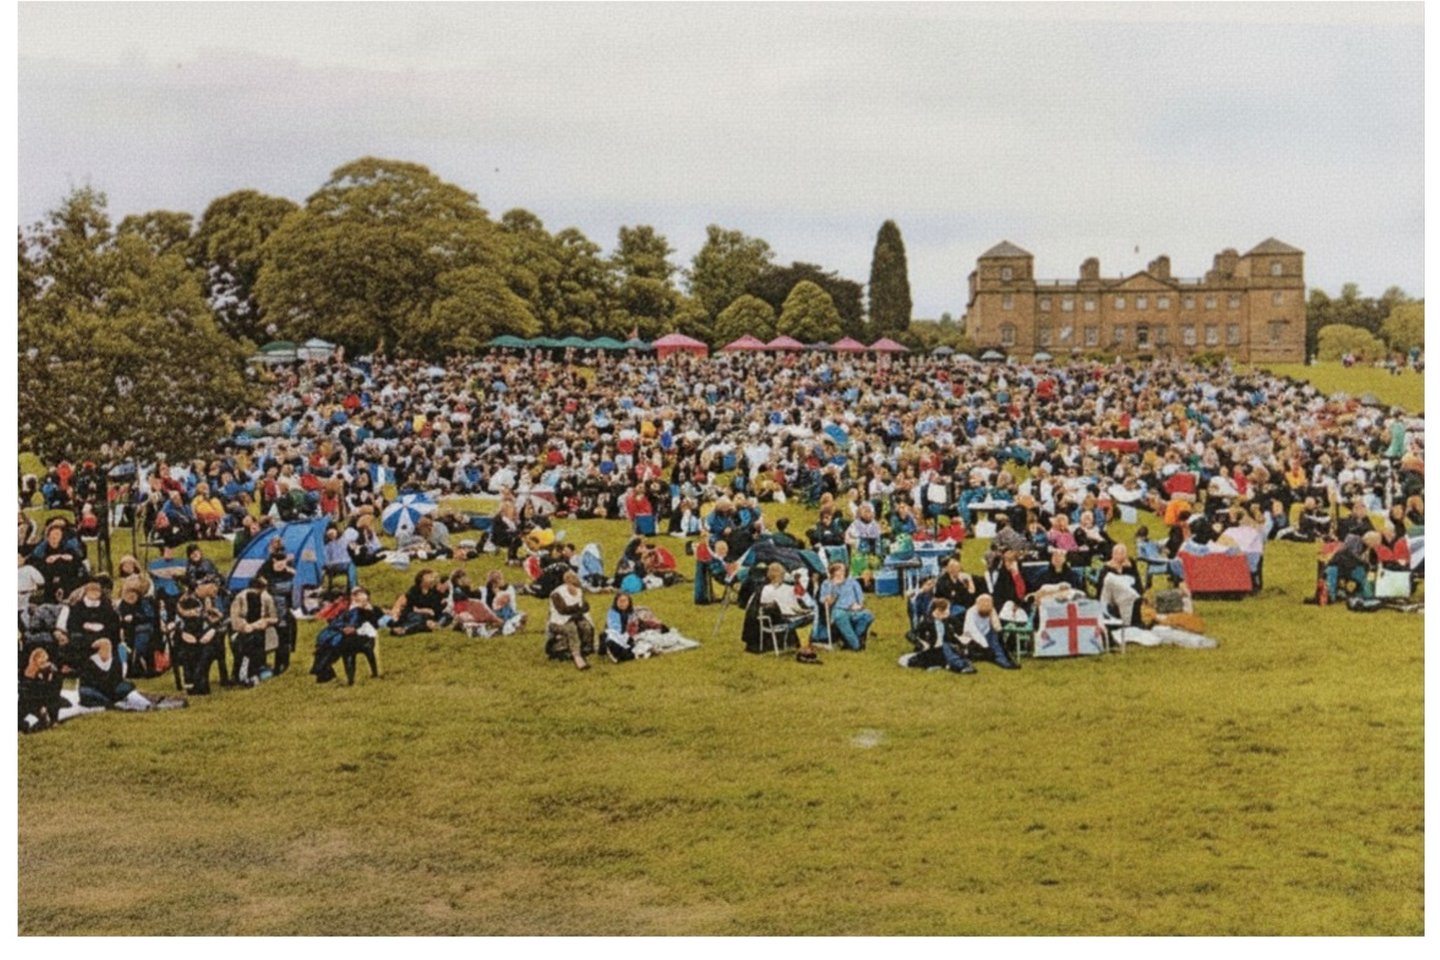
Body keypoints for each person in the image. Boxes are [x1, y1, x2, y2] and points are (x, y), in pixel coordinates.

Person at [312, 587, 383, 685]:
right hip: (346, 636)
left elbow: (375, 625)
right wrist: (343, 627)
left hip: (362, 639)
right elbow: (335, 621)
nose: (355, 601)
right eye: (355, 598)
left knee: (338, 646)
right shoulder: (348, 610)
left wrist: (355, 628)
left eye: (359, 600)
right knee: (327, 644)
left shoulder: (369, 611)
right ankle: (325, 671)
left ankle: (325, 671)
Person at [759, 562, 819, 664]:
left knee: (810, 617)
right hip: (777, 618)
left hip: (791, 616)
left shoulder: (787, 588)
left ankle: (804, 647)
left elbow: (795, 603)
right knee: (801, 619)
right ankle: (804, 649)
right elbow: (765, 607)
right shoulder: (767, 589)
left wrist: (800, 610)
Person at [229, 574, 279, 685]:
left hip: (261, 629)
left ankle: (255, 671)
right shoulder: (240, 598)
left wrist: (263, 622)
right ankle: (240, 675)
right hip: (242, 630)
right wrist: (244, 625)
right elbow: (234, 619)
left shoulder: (267, 598)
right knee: (243, 649)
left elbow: (274, 618)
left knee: (256, 648)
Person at [818, 561, 874, 651]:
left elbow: (861, 600)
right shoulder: (827, 584)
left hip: (853, 610)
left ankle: (849, 642)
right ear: (832, 573)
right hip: (838, 610)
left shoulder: (852, 582)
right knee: (840, 615)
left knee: (868, 615)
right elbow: (826, 602)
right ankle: (856, 646)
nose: (840, 574)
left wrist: (859, 606)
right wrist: (834, 588)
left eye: (843, 571)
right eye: (838, 571)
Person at [546, 570, 594, 670]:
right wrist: (577, 608)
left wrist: (576, 610)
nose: (574, 588)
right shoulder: (557, 594)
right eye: (571, 584)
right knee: (571, 629)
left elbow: (586, 607)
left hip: (574, 618)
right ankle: (577, 657)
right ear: (566, 582)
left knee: (587, 626)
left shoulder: (579, 591)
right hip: (557, 622)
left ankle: (586, 649)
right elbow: (563, 610)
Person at [390, 569, 449, 636]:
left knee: (445, 616)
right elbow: (410, 607)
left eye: (431, 576)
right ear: (421, 579)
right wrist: (422, 610)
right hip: (414, 615)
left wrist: (442, 603)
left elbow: (436, 609)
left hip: (428, 617)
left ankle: (431, 625)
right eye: (429, 576)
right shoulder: (414, 590)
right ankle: (405, 628)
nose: (432, 578)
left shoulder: (433, 592)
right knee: (418, 618)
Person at [602, 592, 645, 663]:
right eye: (620, 601)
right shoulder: (612, 612)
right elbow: (614, 628)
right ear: (616, 602)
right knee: (608, 639)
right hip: (616, 635)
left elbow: (634, 627)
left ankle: (625, 654)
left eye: (625, 601)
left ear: (629, 602)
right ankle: (620, 654)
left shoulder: (632, 612)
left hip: (628, 636)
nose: (623, 603)